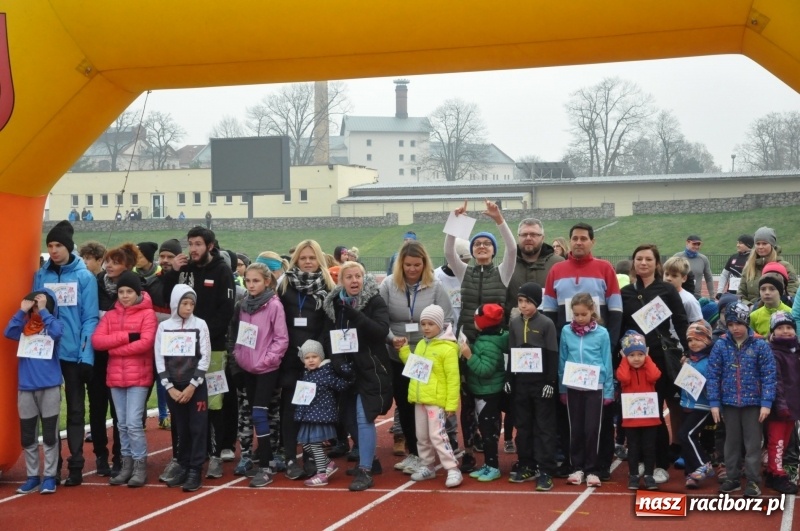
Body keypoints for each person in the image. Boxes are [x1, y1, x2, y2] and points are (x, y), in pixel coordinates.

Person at [542, 222, 621, 480]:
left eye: (583, 238)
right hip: (569, 353)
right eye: (574, 238)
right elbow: (550, 312)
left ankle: (599, 465)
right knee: (571, 418)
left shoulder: (605, 268)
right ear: (569, 241)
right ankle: (572, 463)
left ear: (592, 242)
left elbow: (616, 310)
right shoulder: (556, 270)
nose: (578, 242)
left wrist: (611, 342)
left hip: (597, 351)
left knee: (599, 419)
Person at [443, 199, 516, 473]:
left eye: (486, 244)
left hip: (495, 342)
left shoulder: (503, 272)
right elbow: (450, 252)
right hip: (467, 341)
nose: (482, 247)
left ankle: (492, 451)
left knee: (491, 398)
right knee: (468, 399)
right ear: (471, 251)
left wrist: (498, 219)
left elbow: (512, 248)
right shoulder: (465, 272)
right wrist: (456, 221)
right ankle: (471, 450)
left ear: (492, 251)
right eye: (477, 244)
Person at [162, 227, 235, 480]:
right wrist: (172, 273)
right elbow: (165, 298)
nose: (192, 249)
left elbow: (226, 312)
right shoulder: (183, 270)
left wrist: (199, 335)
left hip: (212, 348)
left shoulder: (222, 271)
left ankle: (214, 455)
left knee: (212, 402)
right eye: (190, 243)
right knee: (180, 402)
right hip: (179, 349)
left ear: (210, 246)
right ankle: (181, 457)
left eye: (197, 244)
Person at [34, 220, 99, 487]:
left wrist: (86, 355)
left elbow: (90, 318)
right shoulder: (42, 275)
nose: (54, 250)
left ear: (69, 247)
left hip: (74, 355)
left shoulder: (84, 277)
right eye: (50, 246)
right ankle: (52, 466)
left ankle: (75, 465)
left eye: (58, 245)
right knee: (49, 412)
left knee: (74, 409)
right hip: (47, 354)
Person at [380, 240, 453, 473]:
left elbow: (448, 318)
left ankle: (439, 452)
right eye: (408, 265)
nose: (412, 269)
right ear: (400, 264)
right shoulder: (389, 285)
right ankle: (414, 453)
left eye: (417, 265)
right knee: (405, 403)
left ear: (425, 264)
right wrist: (392, 338)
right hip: (398, 354)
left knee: (429, 406)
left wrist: (434, 343)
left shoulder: (436, 286)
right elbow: (380, 319)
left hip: (427, 356)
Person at [619, 244, 689, 484]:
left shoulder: (667, 290)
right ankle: (640, 461)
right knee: (635, 411)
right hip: (631, 362)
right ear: (633, 263)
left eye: (649, 259)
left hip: (657, 360)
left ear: (657, 264)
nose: (644, 263)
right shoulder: (626, 292)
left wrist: (689, 351)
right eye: (639, 259)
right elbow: (620, 326)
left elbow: (680, 322)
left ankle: (660, 463)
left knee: (656, 411)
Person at [322, 261, 392, 491]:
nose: (354, 281)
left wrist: (357, 316)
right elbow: (331, 336)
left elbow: (381, 331)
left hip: (371, 367)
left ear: (364, 278)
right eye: (349, 277)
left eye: (358, 276)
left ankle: (365, 471)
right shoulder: (333, 304)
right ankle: (370, 459)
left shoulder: (375, 300)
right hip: (346, 368)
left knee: (364, 416)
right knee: (348, 416)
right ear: (341, 281)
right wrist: (338, 361)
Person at [276, 240, 336, 480]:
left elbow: (328, 322)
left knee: (312, 410)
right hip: (290, 356)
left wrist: (315, 354)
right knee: (290, 408)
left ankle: (313, 456)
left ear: (319, 259)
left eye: (312, 258)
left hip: (315, 360)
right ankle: (290, 456)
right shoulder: (285, 285)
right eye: (303, 258)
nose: (308, 262)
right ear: (296, 260)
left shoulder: (329, 285)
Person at [91, 271, 157, 487]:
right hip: (115, 378)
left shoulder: (147, 315)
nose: (125, 295)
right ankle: (126, 464)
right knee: (121, 425)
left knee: (133, 424)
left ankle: (139, 465)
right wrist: (127, 337)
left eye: (129, 291)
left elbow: (146, 343)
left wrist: (115, 349)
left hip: (139, 377)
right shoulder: (110, 315)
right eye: (121, 291)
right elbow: (98, 342)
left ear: (138, 293)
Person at [229, 261, 289, 488]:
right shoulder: (243, 305)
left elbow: (281, 339)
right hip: (247, 368)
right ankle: (267, 459)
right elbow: (240, 336)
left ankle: (265, 466)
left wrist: (266, 361)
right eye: (248, 281)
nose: (251, 285)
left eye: (256, 281)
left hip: (266, 369)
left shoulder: (274, 305)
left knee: (260, 414)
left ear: (267, 281)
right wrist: (240, 357)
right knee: (254, 415)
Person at [709, 302, 776, 497]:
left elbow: (769, 375)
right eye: (730, 324)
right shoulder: (721, 344)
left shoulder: (760, 345)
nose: (735, 328)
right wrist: (714, 402)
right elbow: (714, 374)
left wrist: (766, 403)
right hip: (729, 403)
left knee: (753, 443)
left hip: (754, 404)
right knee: (731, 442)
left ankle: (754, 480)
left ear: (746, 322)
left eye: (738, 323)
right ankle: (732, 477)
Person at [4, 290, 63, 495]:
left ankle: (49, 477)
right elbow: (8, 332)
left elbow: (57, 332)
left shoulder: (52, 326)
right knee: (28, 435)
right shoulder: (23, 329)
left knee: (49, 435)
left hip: (49, 388)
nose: (36, 310)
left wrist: (45, 311)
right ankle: (32, 477)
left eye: (39, 305)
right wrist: (22, 311)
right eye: (34, 306)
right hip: (26, 389)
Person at [397, 305, 462, 488]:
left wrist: (451, 404)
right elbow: (414, 367)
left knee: (438, 436)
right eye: (423, 324)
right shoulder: (420, 344)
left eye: (430, 324)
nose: (426, 328)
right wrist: (404, 352)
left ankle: (452, 469)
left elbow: (453, 378)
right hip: (420, 399)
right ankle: (427, 466)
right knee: (422, 436)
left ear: (440, 325)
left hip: (436, 401)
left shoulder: (448, 349)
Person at [156, 285, 211, 492]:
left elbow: (204, 356)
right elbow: (159, 357)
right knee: (181, 428)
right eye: (184, 303)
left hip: (194, 386)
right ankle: (183, 465)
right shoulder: (164, 327)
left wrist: (192, 386)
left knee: (197, 427)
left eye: (191, 304)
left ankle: (195, 469)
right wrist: (169, 387)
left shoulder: (200, 325)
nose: (188, 308)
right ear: (175, 304)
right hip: (173, 387)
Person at [507, 282, 558, 491]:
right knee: (523, 425)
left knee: (544, 427)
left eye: (528, 301)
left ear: (537, 302)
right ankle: (527, 464)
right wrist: (509, 378)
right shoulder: (514, 324)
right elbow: (510, 351)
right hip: (521, 384)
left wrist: (550, 382)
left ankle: (546, 469)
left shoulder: (546, 323)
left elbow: (553, 354)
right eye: (520, 301)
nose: (524, 305)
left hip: (541, 384)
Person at [558, 294, 613, 488]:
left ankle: (592, 469)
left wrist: (608, 390)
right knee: (576, 429)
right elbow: (562, 359)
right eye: (576, 314)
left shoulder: (602, 333)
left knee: (592, 430)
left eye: (584, 314)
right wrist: (562, 388)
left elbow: (607, 361)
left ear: (592, 312)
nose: (580, 318)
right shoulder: (566, 331)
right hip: (573, 387)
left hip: (595, 387)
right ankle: (577, 468)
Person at [293, 340, 352, 487]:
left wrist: (349, 373)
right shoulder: (306, 374)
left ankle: (322, 474)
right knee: (306, 445)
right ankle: (328, 464)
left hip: (320, 415)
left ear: (321, 357)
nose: (311, 360)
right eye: (307, 358)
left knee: (314, 444)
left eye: (314, 356)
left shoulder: (326, 372)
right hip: (308, 415)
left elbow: (340, 385)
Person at [461, 303, 508, 482]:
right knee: (486, 430)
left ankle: (493, 466)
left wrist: (469, 355)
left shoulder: (489, 344)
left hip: (489, 393)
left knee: (489, 432)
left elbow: (485, 370)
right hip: (484, 392)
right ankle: (488, 465)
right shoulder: (487, 339)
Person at [616, 330, 661, 491]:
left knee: (649, 447)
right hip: (631, 418)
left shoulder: (647, 368)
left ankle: (649, 474)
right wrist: (623, 360)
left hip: (650, 417)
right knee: (633, 447)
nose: (636, 358)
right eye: (632, 355)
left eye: (640, 354)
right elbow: (623, 378)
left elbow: (655, 375)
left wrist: (648, 358)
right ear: (626, 356)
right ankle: (633, 475)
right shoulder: (625, 369)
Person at [764, 311, 800, 494]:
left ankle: (772, 470)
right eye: (780, 328)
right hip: (780, 407)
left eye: (789, 327)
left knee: (784, 440)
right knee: (776, 441)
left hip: (793, 406)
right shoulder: (773, 352)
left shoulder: (795, 350)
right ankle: (776, 474)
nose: (785, 331)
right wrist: (781, 405)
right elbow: (776, 381)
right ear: (772, 331)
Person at [677, 321, 715, 490]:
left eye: (698, 340)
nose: (694, 343)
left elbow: (712, 385)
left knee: (686, 434)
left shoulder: (709, 362)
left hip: (703, 406)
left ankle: (703, 464)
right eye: (690, 340)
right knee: (686, 435)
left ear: (707, 340)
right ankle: (692, 473)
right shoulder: (689, 360)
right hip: (688, 403)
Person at [506, 218, 564, 320]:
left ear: (542, 238)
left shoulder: (558, 264)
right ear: (518, 237)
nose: (528, 238)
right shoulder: (508, 264)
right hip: (515, 329)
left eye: (533, 234)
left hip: (549, 328)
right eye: (524, 234)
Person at [738, 226, 799, 304]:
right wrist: (749, 306)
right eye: (758, 243)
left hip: (776, 312)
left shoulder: (785, 267)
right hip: (752, 312)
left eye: (764, 243)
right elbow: (741, 293)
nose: (760, 247)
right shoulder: (749, 267)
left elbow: (792, 292)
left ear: (772, 245)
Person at [750, 270, 792, 336]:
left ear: (780, 292)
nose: (767, 293)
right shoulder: (754, 316)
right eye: (763, 289)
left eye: (772, 289)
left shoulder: (791, 313)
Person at [663, 256, 702, 324]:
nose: (668, 278)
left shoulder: (689, 301)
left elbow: (697, 326)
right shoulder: (658, 295)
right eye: (667, 274)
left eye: (674, 276)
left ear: (684, 278)